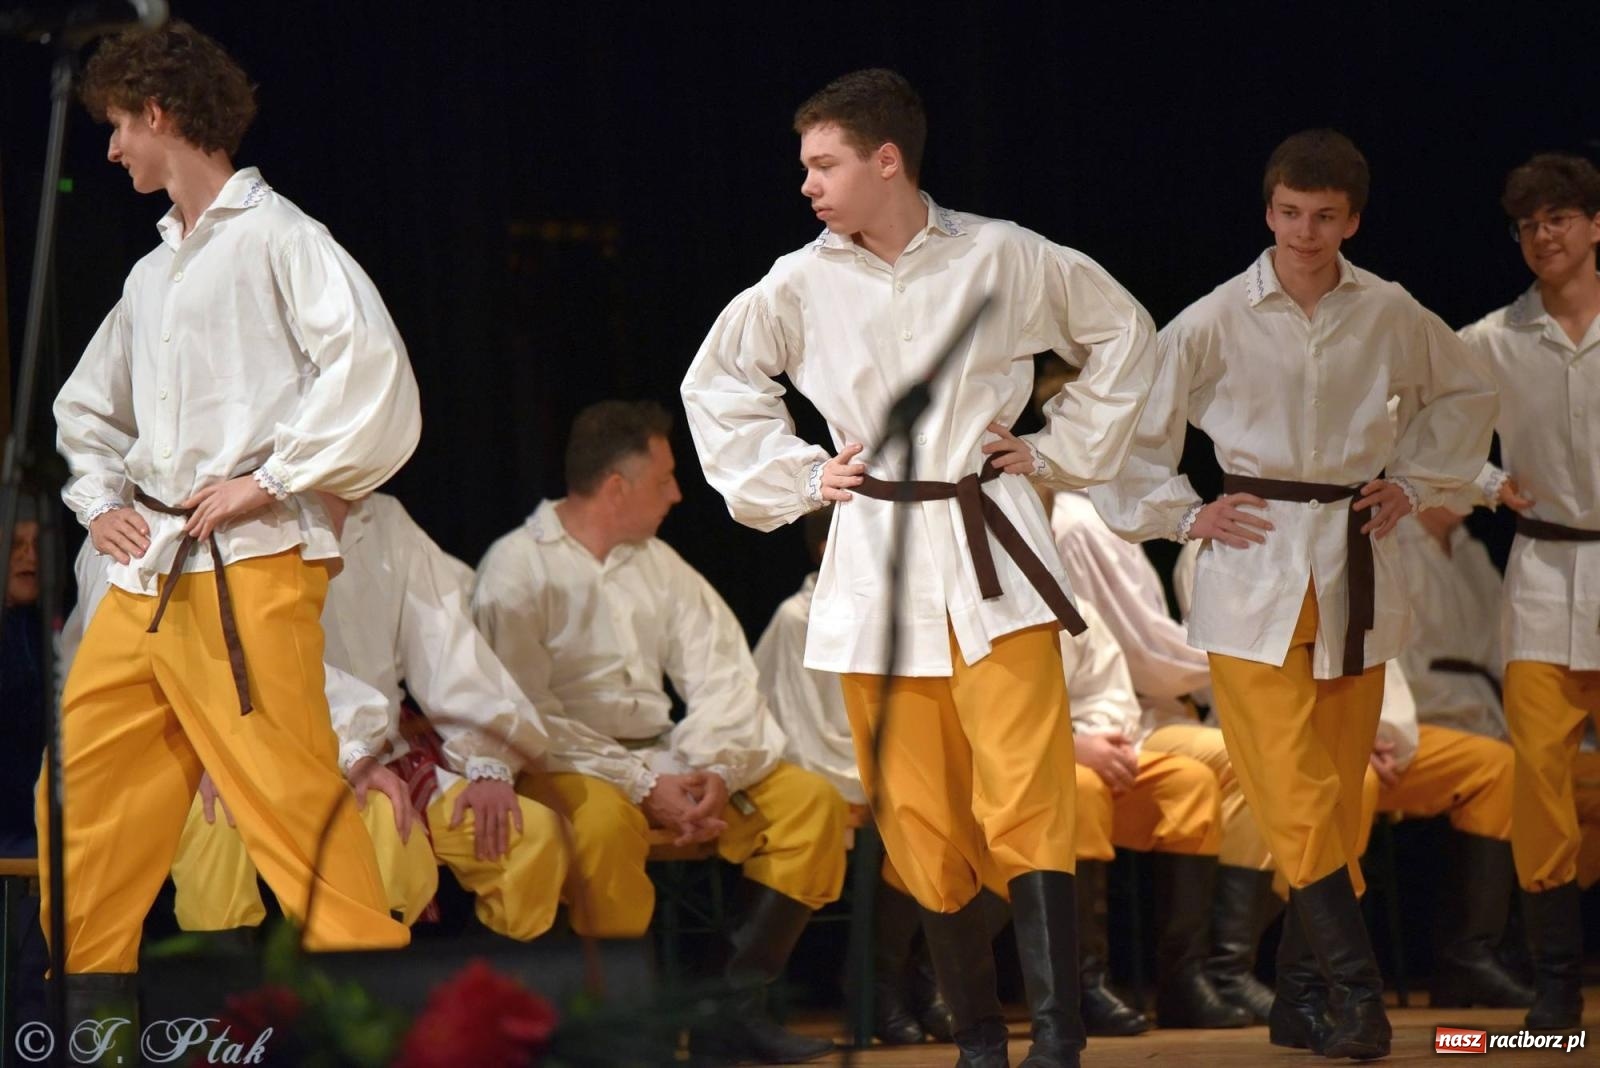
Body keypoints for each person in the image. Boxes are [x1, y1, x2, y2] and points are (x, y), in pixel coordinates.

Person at [681, 68, 1157, 1068]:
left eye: (824, 164)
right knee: (918, 810)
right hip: (880, 562)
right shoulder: (798, 281)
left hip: (991, 547)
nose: (807, 184)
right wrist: (801, 473)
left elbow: (1124, 333)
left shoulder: (1001, 256)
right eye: (804, 166)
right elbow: (716, 381)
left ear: (884, 160)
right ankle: (979, 1034)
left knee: (1029, 791)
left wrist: (1058, 445)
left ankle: (1058, 1033)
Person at [46, 19, 419, 1040]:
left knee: (288, 798)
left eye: (120, 125)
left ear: (160, 115)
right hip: (149, 576)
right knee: (81, 790)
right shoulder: (152, 272)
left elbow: (373, 379)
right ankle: (94, 1025)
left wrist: (273, 477)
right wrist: (101, 503)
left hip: (245, 568)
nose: (114, 148)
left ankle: (372, 1026)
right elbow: (86, 414)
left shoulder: (283, 240)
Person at [1090, 130, 1496, 1059]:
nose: (1303, 233)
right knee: (1291, 785)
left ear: (1351, 219)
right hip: (1255, 566)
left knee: (1342, 792)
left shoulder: (1390, 311)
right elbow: (1136, 437)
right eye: (1288, 213)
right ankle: (1356, 995)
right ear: (1267, 208)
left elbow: (1466, 394)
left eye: (1323, 217)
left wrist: (1423, 483)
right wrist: (1187, 516)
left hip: (1356, 558)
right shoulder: (1215, 317)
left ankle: (1300, 998)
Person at [474, 399, 846, 1064]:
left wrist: (711, 772)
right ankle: (623, 1025)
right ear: (616, 486)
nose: (678, 493)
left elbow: (725, 676)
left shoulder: (658, 564)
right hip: (570, 767)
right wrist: (640, 782)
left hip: (669, 762)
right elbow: (521, 712)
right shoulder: (518, 568)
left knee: (809, 807)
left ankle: (723, 1013)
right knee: (605, 827)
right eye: (665, 479)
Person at [168, 493, 571, 942]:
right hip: (276, 753)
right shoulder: (246, 521)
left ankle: (500, 996)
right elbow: (268, 667)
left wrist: (487, 762)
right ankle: (263, 999)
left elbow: (445, 642)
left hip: (380, 754)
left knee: (530, 837)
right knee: (380, 831)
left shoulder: (387, 522)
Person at [1457, 151, 1600, 1030]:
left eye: (1560, 218)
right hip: (1545, 579)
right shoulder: (1490, 340)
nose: (1544, 235)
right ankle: (1554, 990)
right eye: (1529, 224)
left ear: (1593, 225)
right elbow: (1427, 432)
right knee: (1540, 783)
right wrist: (1482, 482)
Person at [753, 506, 956, 1046]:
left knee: (963, 821)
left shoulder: (903, 614)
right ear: (828, 548)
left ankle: (914, 980)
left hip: (885, 775)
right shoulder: (797, 619)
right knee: (908, 821)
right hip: (827, 777)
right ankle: (872, 989)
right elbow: (797, 733)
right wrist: (864, 787)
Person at [1060, 601, 1249, 1033]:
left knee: (1190, 785)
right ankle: (1081, 983)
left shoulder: (1069, 603)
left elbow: (1107, 690)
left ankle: (1183, 978)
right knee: (1081, 791)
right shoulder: (970, 595)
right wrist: (1067, 744)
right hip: (1014, 764)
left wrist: (1098, 741)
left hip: (1082, 750)